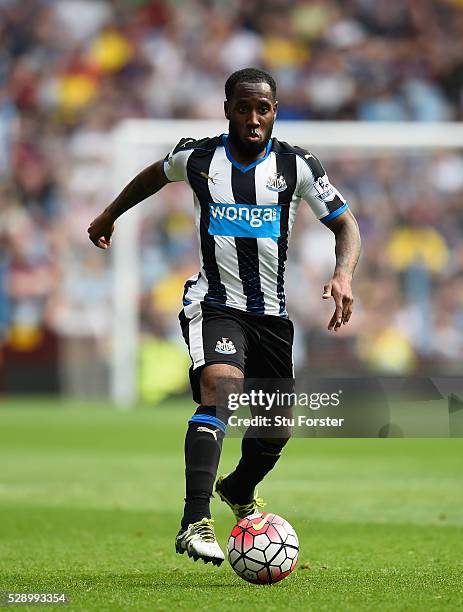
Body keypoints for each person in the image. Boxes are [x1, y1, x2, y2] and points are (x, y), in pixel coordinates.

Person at [88, 67, 361, 566]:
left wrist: (343, 274)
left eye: (264, 108)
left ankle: (238, 488)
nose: (254, 118)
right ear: (228, 109)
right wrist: (110, 214)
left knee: (275, 431)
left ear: (275, 111)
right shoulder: (200, 158)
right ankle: (195, 521)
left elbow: (346, 225)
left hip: (272, 317)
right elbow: (153, 174)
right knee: (220, 390)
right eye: (244, 107)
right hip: (214, 305)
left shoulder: (297, 166)